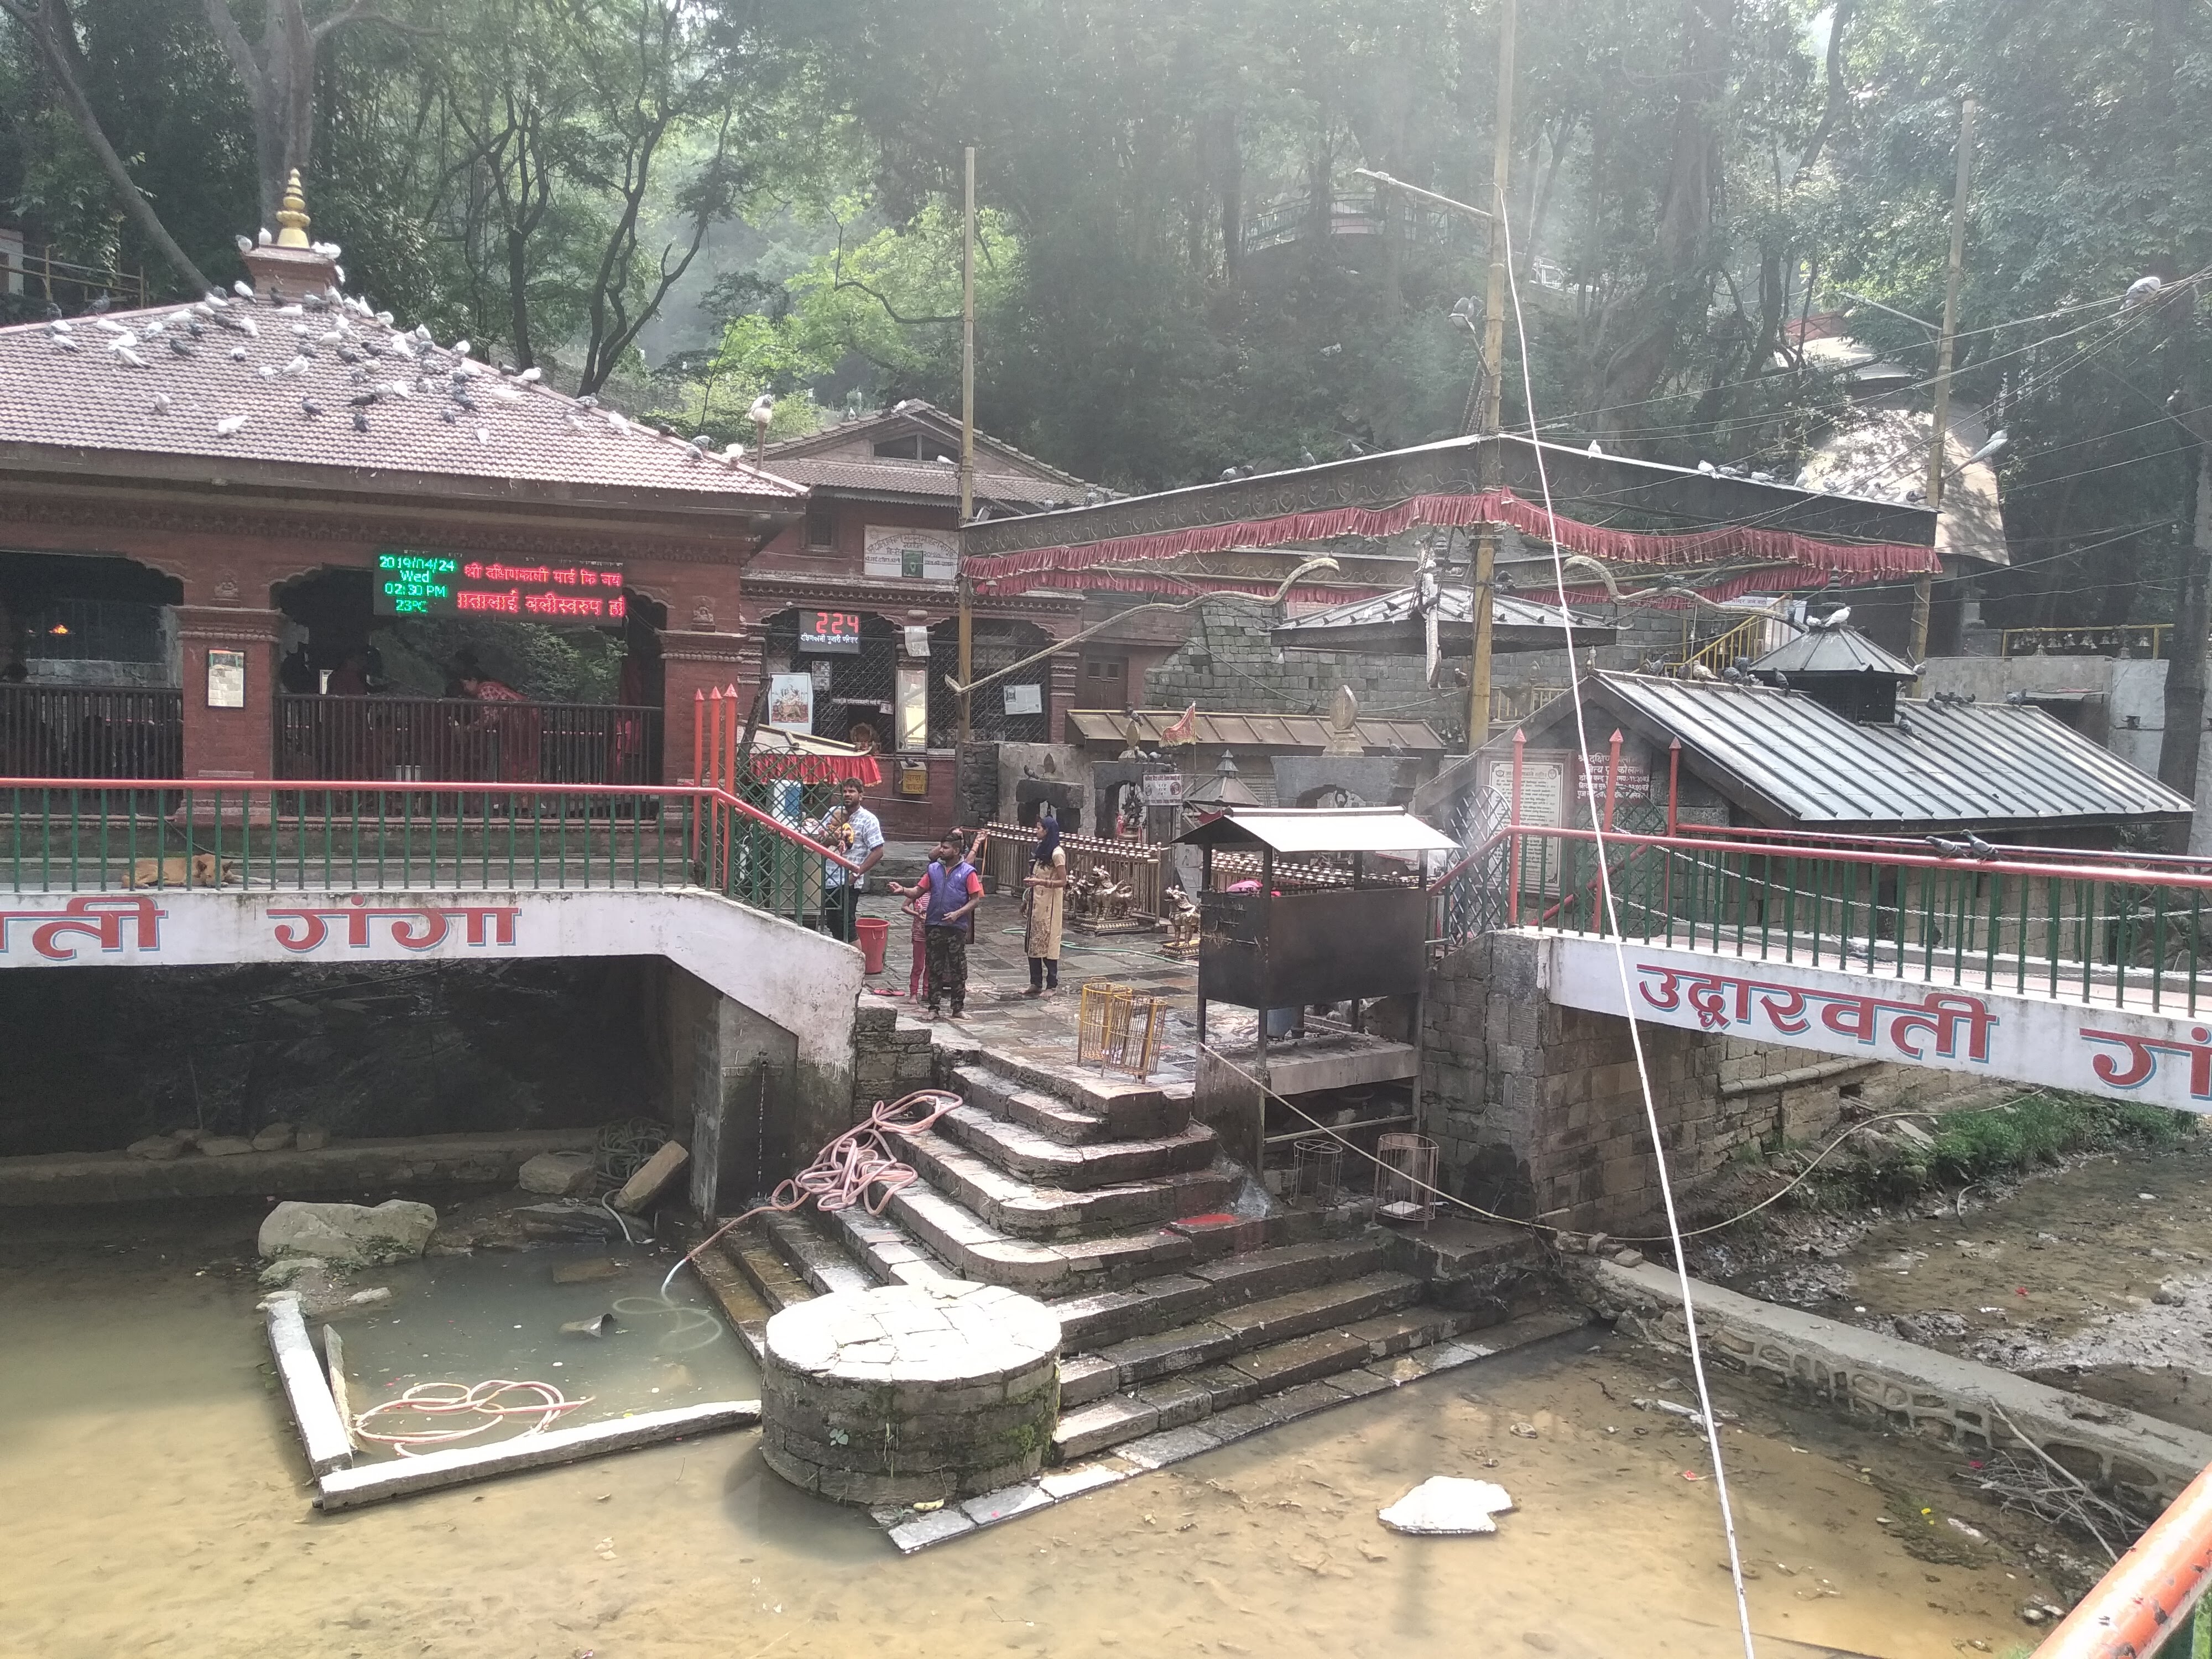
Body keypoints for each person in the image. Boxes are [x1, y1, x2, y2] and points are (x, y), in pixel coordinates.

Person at [889, 832, 982, 1019]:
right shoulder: (933, 870)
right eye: (941, 846)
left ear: (956, 851)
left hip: (956, 927)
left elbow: (976, 899)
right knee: (934, 967)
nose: (941, 850)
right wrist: (903, 890)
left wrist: (958, 914)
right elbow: (918, 890)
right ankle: (934, 1008)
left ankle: (958, 1008)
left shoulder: (968, 872)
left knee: (957, 968)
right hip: (934, 924)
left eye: (945, 848)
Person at [817, 779, 885, 940]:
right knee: (833, 922)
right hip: (828, 877)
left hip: (849, 881)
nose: (847, 794)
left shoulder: (869, 819)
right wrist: (831, 839)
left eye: (852, 791)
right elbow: (820, 837)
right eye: (845, 791)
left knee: (846, 924)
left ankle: (858, 962)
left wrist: (856, 874)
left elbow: (878, 851)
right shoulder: (835, 812)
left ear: (861, 796)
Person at [1021, 807, 1067, 996]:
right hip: (1036, 902)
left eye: (1039, 828)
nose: (1036, 831)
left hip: (1049, 905)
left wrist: (1041, 882)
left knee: (1048, 942)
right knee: (1033, 942)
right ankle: (1035, 982)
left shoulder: (1057, 853)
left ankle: (1052, 984)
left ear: (1047, 831)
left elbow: (1063, 881)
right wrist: (1026, 898)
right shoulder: (1041, 849)